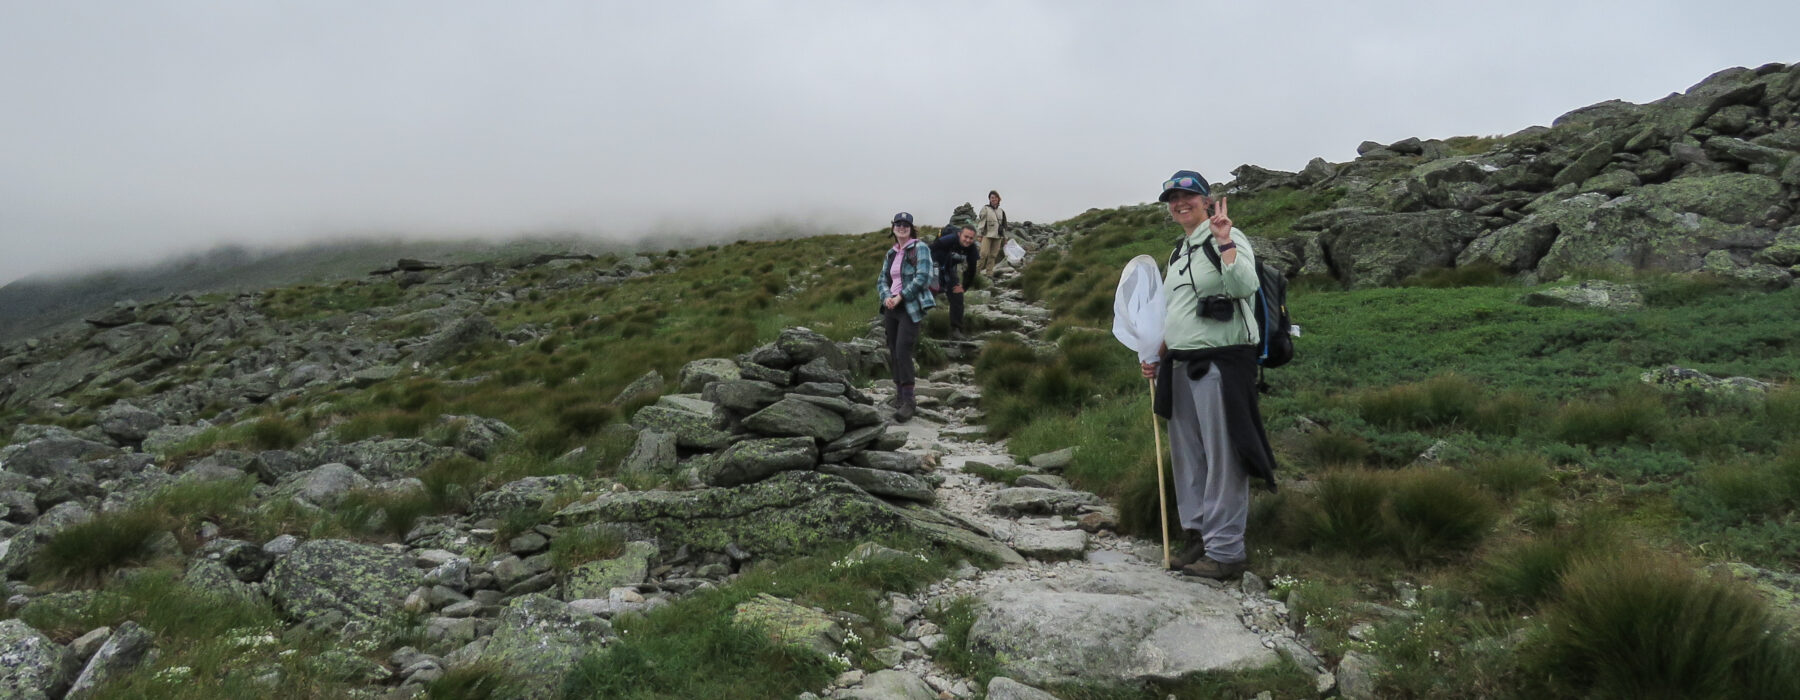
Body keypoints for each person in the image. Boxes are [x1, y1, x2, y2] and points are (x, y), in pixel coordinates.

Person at [1140, 170, 1279, 580]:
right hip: (1180, 365)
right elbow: (1174, 314)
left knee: (1223, 457)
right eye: (1172, 198)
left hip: (1222, 364)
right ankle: (1199, 535)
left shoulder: (1227, 239)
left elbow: (1243, 287)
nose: (1179, 203)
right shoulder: (1178, 251)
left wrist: (1224, 240)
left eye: (1188, 196)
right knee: (1189, 457)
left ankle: (1226, 552)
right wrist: (1156, 354)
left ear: (1206, 200)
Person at [877, 212, 935, 422]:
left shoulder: (920, 248)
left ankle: (910, 401)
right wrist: (886, 297)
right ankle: (900, 396)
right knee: (893, 350)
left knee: (903, 349)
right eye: (898, 224)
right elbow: (882, 279)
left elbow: (924, 277)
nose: (901, 227)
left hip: (910, 307)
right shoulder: (891, 253)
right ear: (893, 227)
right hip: (892, 308)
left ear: (911, 229)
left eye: (906, 225)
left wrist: (901, 296)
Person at [931, 223, 980, 339]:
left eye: (971, 238)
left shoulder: (972, 249)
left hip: (949, 270)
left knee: (957, 296)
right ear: (959, 235)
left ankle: (956, 329)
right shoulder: (947, 240)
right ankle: (915, 324)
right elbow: (930, 249)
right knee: (928, 293)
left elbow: (971, 270)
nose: (968, 240)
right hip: (933, 266)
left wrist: (964, 287)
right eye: (965, 237)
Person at [976, 190, 1007, 277]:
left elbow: (1003, 226)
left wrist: (1005, 238)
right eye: (992, 198)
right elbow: (982, 222)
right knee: (983, 254)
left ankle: (989, 274)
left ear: (998, 199)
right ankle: (975, 273)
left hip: (998, 236)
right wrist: (979, 234)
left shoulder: (1001, 211)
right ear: (989, 199)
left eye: (995, 197)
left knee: (993, 255)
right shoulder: (985, 209)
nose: (994, 199)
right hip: (987, 234)